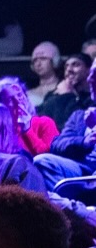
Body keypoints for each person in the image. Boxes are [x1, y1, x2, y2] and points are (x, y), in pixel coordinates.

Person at [34, 60, 96, 191]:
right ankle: (75, 205)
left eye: (95, 74)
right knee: (42, 161)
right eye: (91, 75)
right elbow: (57, 143)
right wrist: (83, 142)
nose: (91, 79)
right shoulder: (80, 116)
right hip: (82, 167)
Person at [0, 77, 59, 155]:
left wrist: (27, 129)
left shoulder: (44, 123)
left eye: (19, 95)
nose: (18, 101)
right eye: (10, 99)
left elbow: (49, 158)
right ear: (1, 106)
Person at [39, 54, 95, 133]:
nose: (69, 69)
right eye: (66, 66)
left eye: (75, 65)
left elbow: (80, 126)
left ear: (88, 70)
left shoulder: (92, 99)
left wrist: (67, 95)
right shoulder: (54, 95)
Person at [26, 41, 62, 108]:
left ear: (54, 61)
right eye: (35, 60)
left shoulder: (64, 89)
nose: (38, 64)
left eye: (43, 58)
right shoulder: (28, 94)